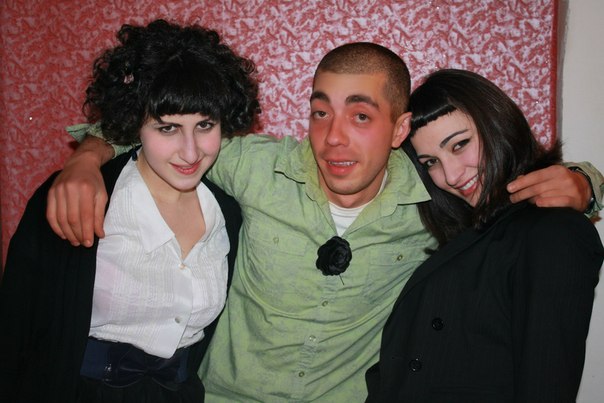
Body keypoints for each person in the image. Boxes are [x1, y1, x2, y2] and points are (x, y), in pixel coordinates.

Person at [44, 43, 602, 401]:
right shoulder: (257, 166)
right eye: (320, 113)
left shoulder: (432, 198)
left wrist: (586, 183)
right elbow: (156, 127)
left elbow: (504, 205)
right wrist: (86, 159)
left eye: (361, 115)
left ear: (399, 130)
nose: (334, 137)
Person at [0, 19, 259, 403]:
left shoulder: (228, 215)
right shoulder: (80, 197)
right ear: (135, 122)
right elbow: (14, 330)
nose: (191, 152)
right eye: (168, 128)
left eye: (205, 125)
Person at [365, 69, 604, 402]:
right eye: (431, 162)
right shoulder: (467, 228)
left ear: (496, 124)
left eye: (460, 144)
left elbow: (545, 384)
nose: (450, 175)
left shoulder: (552, 231)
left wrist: (586, 183)